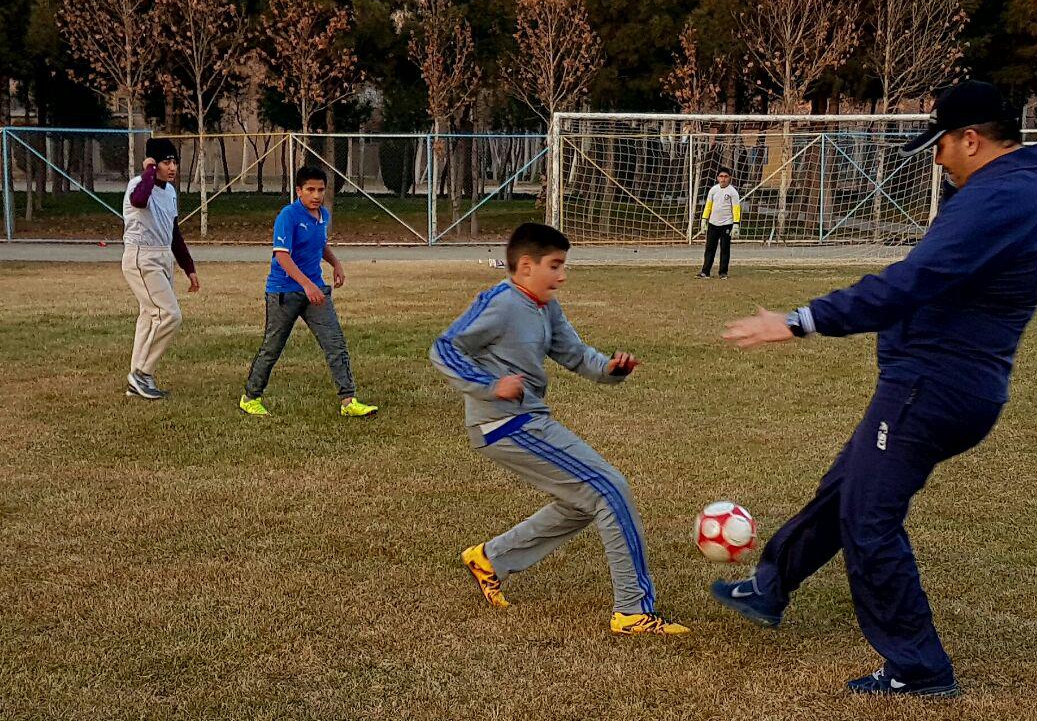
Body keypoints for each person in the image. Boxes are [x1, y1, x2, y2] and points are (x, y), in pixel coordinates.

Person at [712, 80, 1037, 697]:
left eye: (942, 146)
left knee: (868, 518)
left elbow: (911, 282)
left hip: (932, 385)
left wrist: (799, 321)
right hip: (962, 379)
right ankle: (770, 585)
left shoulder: (995, 199)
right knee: (846, 487)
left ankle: (919, 665)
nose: (936, 160)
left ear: (972, 139)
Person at [431, 223, 688, 636]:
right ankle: (632, 611)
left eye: (564, 265)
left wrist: (610, 368)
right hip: (504, 423)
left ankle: (490, 559)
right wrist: (491, 386)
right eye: (555, 266)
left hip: (527, 419)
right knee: (610, 489)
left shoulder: (545, 305)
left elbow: (575, 354)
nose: (562, 276)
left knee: (583, 502)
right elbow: (444, 348)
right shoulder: (499, 303)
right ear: (526, 266)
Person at [238, 165, 378, 418]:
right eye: (310, 190)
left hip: (315, 292)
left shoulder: (323, 215)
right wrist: (306, 284)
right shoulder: (288, 216)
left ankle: (348, 401)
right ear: (299, 191)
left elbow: (320, 244)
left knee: (335, 343)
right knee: (273, 347)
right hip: (284, 292)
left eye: (321, 190)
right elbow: (282, 256)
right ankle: (250, 397)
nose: (316, 195)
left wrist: (335, 263)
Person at [121, 137, 199, 400]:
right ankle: (142, 373)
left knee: (149, 318)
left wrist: (188, 267)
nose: (172, 167)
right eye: (166, 162)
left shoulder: (170, 192)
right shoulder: (140, 184)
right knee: (170, 315)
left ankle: (137, 380)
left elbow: (173, 232)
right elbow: (140, 201)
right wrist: (149, 170)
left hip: (162, 256)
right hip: (142, 257)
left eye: (174, 161)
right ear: (154, 164)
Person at [697, 167, 742, 279]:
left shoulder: (733, 192)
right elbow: (708, 206)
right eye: (721, 176)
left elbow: (736, 209)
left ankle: (723, 272)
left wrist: (736, 224)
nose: (723, 179)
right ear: (717, 178)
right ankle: (705, 271)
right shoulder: (713, 190)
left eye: (726, 177)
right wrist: (704, 219)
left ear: (729, 178)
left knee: (724, 249)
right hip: (713, 224)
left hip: (727, 224)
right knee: (709, 248)